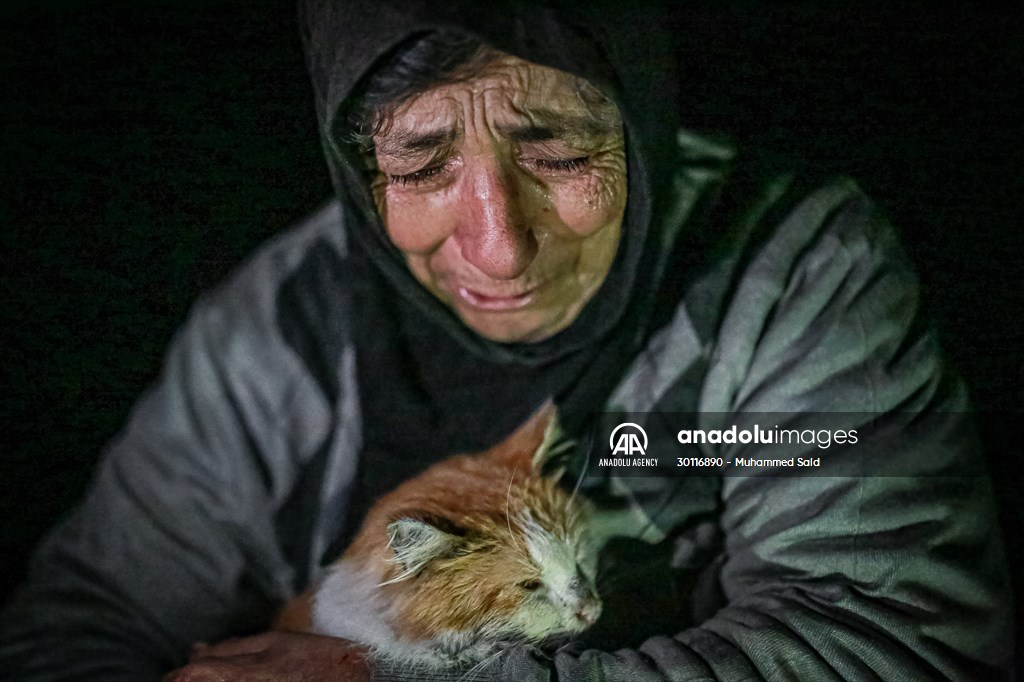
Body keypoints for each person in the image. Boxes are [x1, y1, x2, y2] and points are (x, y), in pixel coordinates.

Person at [0, 1, 1013, 680]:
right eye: (420, 164)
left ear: (642, 125)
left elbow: (892, 636)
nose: (497, 244)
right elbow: (83, 619)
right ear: (358, 174)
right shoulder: (276, 328)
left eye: (561, 150)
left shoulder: (793, 266)